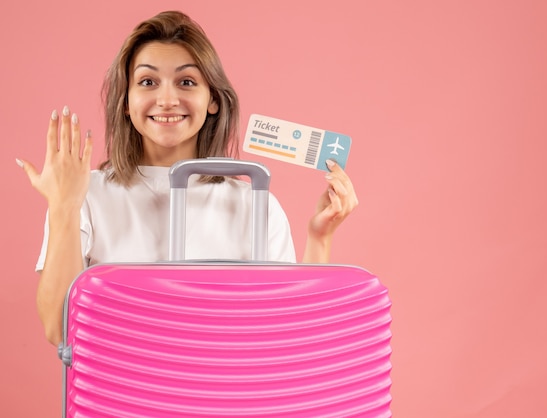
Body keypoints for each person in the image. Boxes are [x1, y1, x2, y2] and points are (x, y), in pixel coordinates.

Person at [16, 10, 358, 346]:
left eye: (187, 82)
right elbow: (59, 331)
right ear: (125, 101)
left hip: (224, 398)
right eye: (147, 82)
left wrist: (319, 237)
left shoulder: (256, 203)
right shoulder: (86, 195)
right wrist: (63, 205)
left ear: (212, 100)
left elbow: (288, 330)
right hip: (119, 397)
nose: (166, 100)